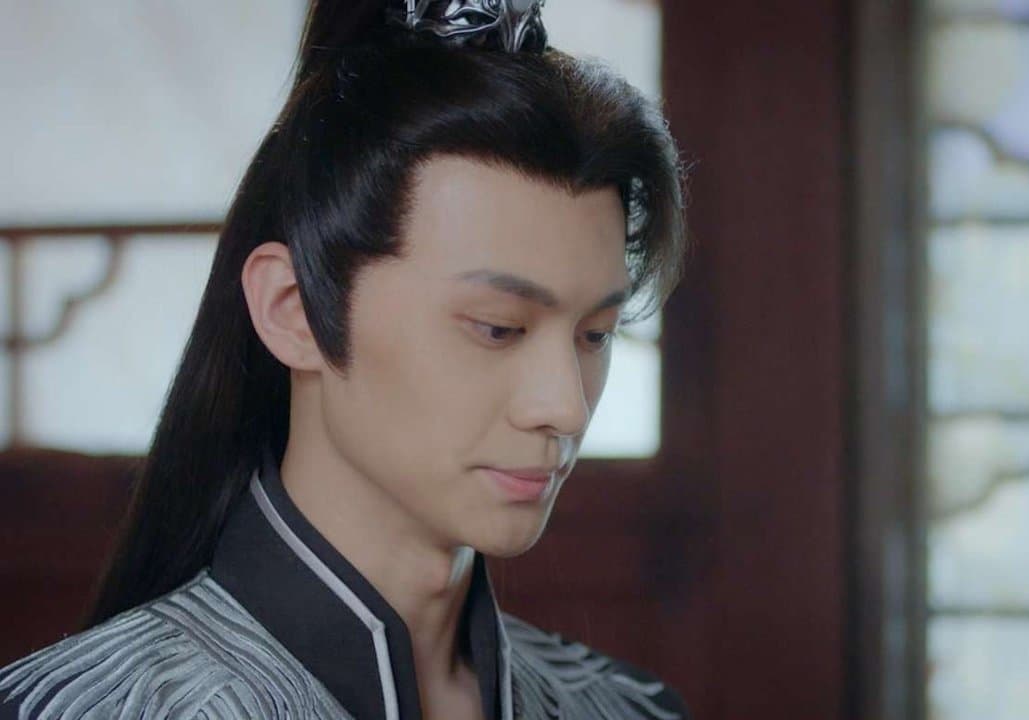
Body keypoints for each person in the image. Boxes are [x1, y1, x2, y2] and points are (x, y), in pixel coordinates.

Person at [0, 0, 689, 718]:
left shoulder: (628, 708)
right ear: (293, 309)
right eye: (498, 328)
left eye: (595, 334)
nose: (566, 408)